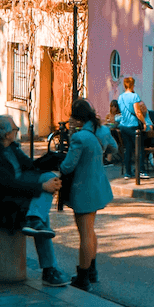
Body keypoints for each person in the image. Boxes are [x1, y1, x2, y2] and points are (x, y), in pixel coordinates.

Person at [0, 115, 69, 288]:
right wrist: (42, 187)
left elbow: (31, 167)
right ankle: (49, 270)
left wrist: (52, 159)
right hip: (2, 206)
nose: (17, 132)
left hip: (17, 196)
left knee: (48, 178)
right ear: (7, 134)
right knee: (41, 214)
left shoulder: (11, 148)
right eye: (15, 130)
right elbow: (8, 185)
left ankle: (35, 220)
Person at [58, 98, 116, 290]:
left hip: (83, 189)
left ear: (78, 119)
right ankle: (91, 270)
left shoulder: (80, 138)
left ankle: (83, 276)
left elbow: (68, 166)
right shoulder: (102, 130)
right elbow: (114, 148)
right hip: (98, 185)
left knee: (84, 233)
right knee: (90, 231)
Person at [117, 76, 145, 179]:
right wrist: (144, 122)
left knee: (127, 149)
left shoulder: (120, 97)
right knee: (139, 148)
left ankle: (127, 172)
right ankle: (141, 170)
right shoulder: (134, 97)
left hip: (123, 125)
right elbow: (137, 111)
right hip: (133, 125)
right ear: (132, 85)